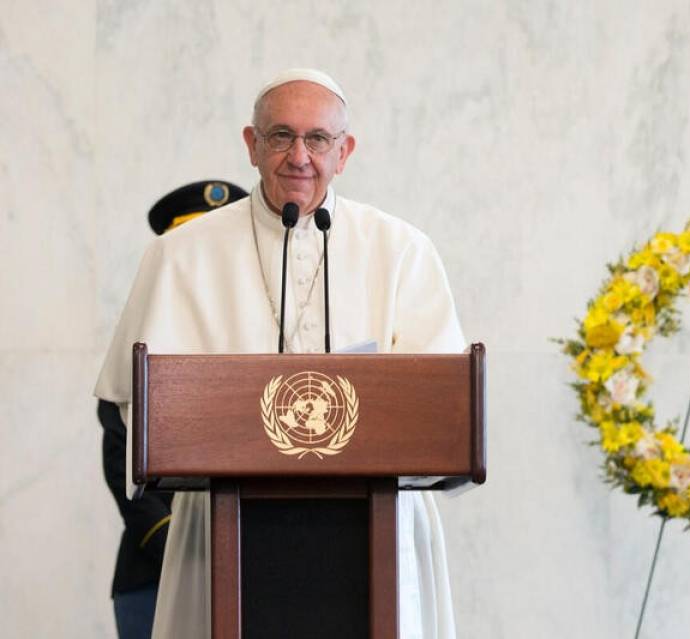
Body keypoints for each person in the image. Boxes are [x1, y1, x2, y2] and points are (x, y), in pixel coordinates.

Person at [94, 69, 464, 638]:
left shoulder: (401, 250)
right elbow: (136, 407)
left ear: (345, 152)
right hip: (222, 536)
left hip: (375, 531)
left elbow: (442, 412)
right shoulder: (181, 256)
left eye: (318, 139)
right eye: (280, 135)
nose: (299, 156)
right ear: (251, 144)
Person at [99, 180, 248, 639]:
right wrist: (189, 547)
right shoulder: (139, 350)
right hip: (155, 572)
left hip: (253, 566)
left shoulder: (256, 347)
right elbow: (124, 465)